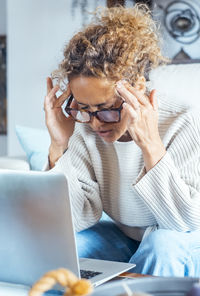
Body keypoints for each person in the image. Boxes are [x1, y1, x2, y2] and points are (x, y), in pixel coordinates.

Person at [44, 4, 200, 277]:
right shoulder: (86, 127)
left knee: (161, 245)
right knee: (59, 248)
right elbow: (75, 217)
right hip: (125, 236)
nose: (95, 123)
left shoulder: (182, 119)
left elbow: (185, 222)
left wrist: (151, 145)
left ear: (136, 87)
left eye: (107, 109)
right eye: (84, 109)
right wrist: (60, 145)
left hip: (184, 238)